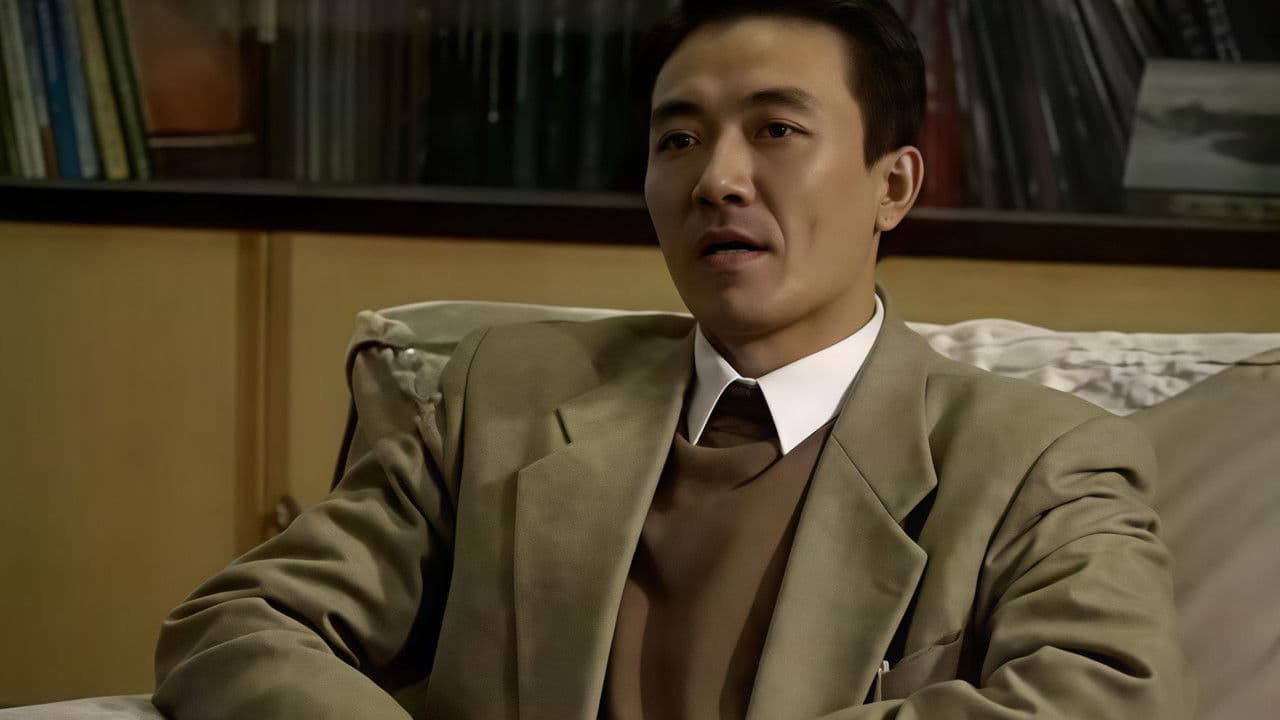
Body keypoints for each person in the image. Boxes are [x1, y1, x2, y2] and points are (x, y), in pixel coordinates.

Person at [153, 2, 1190, 718]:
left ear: (893, 186)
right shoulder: (506, 396)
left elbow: (1107, 700)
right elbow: (239, 624)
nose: (717, 181)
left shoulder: (1037, 460)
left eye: (775, 129)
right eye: (678, 140)